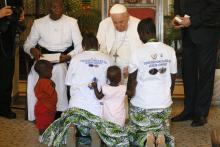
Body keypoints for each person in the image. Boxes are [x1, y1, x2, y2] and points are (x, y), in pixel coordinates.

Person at [41, 33, 129, 147]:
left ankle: (73, 127)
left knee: (73, 116)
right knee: (105, 124)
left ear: (83, 47)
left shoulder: (75, 59)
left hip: (76, 108)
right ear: (98, 45)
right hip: (98, 111)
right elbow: (113, 85)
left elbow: (68, 85)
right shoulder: (108, 59)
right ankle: (95, 131)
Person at [23, 0, 82, 121]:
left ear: (63, 7)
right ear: (48, 8)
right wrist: (32, 50)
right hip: (43, 59)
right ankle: (37, 112)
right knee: (34, 75)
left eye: (59, 7)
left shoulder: (72, 22)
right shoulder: (39, 23)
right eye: (53, 7)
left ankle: (59, 112)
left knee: (59, 72)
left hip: (62, 59)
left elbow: (80, 46)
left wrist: (69, 56)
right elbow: (27, 44)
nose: (56, 10)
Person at [127, 18, 176, 147]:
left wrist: (129, 95)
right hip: (164, 106)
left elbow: (132, 81)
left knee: (132, 132)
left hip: (142, 106)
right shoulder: (170, 51)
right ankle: (160, 136)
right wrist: (167, 95)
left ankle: (146, 138)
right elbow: (173, 78)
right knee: (161, 122)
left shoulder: (137, 53)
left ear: (141, 33)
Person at [171, 0, 220, 127]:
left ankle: (201, 113)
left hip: (206, 32)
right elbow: (177, 2)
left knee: (205, 74)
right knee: (188, 73)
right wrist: (177, 17)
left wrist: (193, 20)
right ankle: (188, 110)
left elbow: (215, 6)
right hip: (187, 33)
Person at [97, 3, 142, 84]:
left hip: (130, 67)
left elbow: (143, 51)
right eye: (115, 22)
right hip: (111, 69)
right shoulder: (104, 24)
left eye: (121, 22)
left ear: (128, 16)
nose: (118, 25)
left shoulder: (138, 24)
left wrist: (133, 67)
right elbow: (100, 49)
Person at [0, 1, 24, 119]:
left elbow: (19, 5)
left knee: (7, 75)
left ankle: (4, 108)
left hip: (8, 39)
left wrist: (20, 12)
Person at [34, 60, 57, 142]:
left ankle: (45, 136)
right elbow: (50, 92)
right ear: (44, 72)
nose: (51, 73)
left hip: (46, 108)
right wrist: (53, 86)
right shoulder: (44, 82)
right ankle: (41, 137)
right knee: (43, 124)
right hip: (44, 108)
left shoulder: (43, 81)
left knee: (45, 123)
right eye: (50, 71)